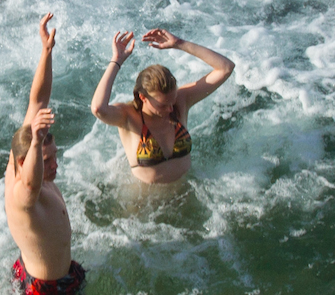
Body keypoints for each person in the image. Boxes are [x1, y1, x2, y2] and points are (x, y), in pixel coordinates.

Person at [5, 13, 86, 295]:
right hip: (47, 293)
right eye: (46, 160)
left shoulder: (21, 146)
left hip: (55, 272)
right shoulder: (23, 193)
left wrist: (47, 52)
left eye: (54, 156)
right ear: (24, 163)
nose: (55, 165)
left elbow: (38, 99)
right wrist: (38, 144)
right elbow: (31, 184)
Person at [90, 27, 234, 184]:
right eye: (163, 105)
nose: (171, 109)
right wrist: (116, 61)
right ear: (143, 97)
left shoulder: (181, 100)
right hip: (146, 198)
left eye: (172, 101)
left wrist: (179, 43)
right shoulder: (128, 116)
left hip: (188, 192)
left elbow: (225, 68)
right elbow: (98, 108)